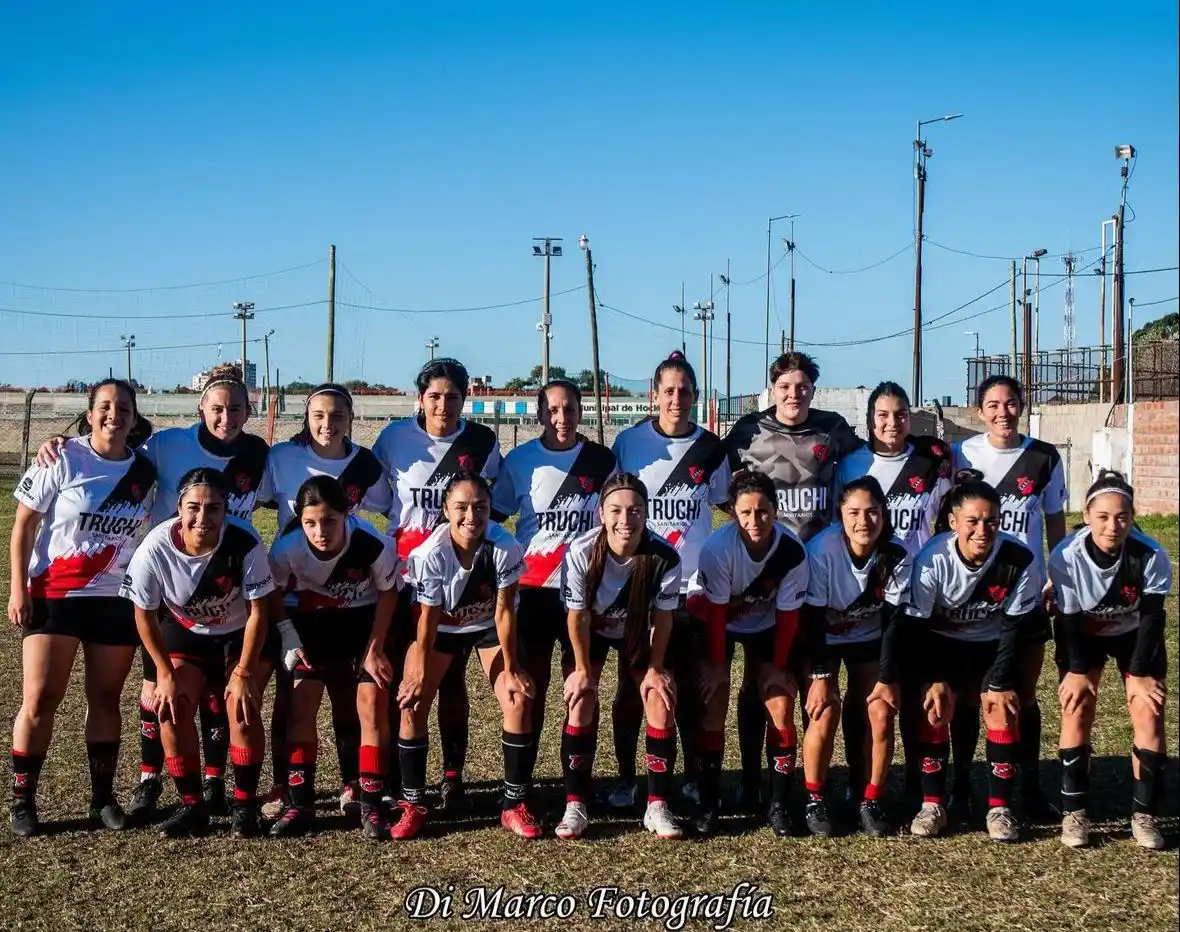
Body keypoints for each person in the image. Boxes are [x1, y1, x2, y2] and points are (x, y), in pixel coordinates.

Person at [36, 363, 270, 823]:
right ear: (200, 407)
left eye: (237, 409)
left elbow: (294, 490)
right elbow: (113, 451)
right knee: (158, 692)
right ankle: (150, 780)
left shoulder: (260, 454)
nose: (227, 417)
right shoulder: (168, 444)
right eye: (217, 408)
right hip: (167, 582)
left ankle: (214, 783)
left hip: (226, 587)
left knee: (222, 699)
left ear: (249, 410)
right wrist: (62, 444)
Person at [8, 380, 157, 836]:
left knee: (105, 697)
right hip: (54, 594)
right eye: (106, 407)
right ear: (90, 414)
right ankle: (23, 801)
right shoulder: (63, 457)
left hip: (114, 599)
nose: (115, 414)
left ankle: (101, 798)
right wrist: (18, 588)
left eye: (124, 408)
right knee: (41, 697)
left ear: (135, 418)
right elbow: (23, 526)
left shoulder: (146, 472)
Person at [723, 351, 862, 809]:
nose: (793, 394)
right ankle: (749, 776)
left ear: (813, 390)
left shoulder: (833, 429)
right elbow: (728, 489)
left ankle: (810, 780)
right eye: (785, 386)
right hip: (764, 574)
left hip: (817, 574)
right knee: (758, 683)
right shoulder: (747, 432)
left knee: (810, 678)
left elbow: (879, 455)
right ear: (772, 389)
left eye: (802, 386)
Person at [119, 468, 280, 838]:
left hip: (238, 633)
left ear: (226, 511)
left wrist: (243, 673)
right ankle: (193, 807)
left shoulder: (244, 541)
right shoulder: (155, 547)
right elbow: (143, 615)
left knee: (241, 709)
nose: (202, 518)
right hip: (186, 634)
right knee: (171, 710)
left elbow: (259, 612)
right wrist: (164, 673)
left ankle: (244, 805)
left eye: (214, 508)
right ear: (178, 507)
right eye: (193, 507)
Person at [258, 383, 393, 817]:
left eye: (337, 415)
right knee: (294, 698)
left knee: (353, 699)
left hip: (354, 601)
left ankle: (358, 784)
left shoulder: (365, 465)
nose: (328, 423)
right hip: (300, 603)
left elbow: (391, 506)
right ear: (306, 416)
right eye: (319, 414)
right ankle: (289, 788)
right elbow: (246, 499)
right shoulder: (280, 458)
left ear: (351, 419)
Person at [373, 358, 500, 813]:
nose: (442, 404)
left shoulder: (482, 441)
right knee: (404, 679)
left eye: (452, 396)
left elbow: (491, 505)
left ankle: (453, 775)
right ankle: (396, 778)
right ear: (420, 398)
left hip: (459, 577)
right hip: (406, 577)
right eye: (434, 396)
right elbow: (378, 498)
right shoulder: (392, 439)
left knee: (452, 683)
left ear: (465, 399)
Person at [608, 352, 729, 811]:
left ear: (696, 397)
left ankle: (695, 776)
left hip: (694, 591)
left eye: (685, 391)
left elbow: (720, 504)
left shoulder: (711, 448)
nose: (677, 398)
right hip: (638, 589)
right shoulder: (629, 443)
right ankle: (625, 778)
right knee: (632, 690)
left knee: (693, 690)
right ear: (653, 395)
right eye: (669, 390)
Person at [392, 471, 538, 840]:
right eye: (461, 507)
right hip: (441, 627)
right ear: (445, 510)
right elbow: (426, 619)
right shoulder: (428, 554)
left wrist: (514, 666)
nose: (471, 516)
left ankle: (513, 804)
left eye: (480, 507)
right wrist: (418, 672)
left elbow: (505, 612)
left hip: (487, 624)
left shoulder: (504, 547)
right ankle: (413, 803)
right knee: (412, 702)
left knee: (517, 698)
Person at [905, 470, 1043, 843]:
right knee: (937, 703)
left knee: (1001, 706)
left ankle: (999, 808)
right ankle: (932, 803)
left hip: (992, 644)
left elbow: (1013, 629)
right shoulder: (932, 560)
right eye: (972, 521)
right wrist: (932, 678)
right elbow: (920, 628)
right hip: (942, 644)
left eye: (991, 521)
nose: (982, 530)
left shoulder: (1019, 558)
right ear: (953, 522)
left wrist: (999, 681)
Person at [953, 375, 1066, 822]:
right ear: (979, 411)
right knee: (965, 696)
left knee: (1022, 694)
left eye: (1011, 403)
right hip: (971, 594)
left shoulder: (1044, 457)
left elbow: (1055, 521)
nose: (1004, 413)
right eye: (993, 405)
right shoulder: (963, 455)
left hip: (1027, 591)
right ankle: (961, 784)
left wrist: (1057, 575)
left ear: (1023, 406)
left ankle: (1029, 784)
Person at [834, 382, 950, 814]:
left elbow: (945, 517)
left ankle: (924, 783)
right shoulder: (852, 464)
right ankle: (858, 777)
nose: (891, 423)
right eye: (882, 415)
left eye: (900, 414)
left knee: (922, 691)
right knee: (868, 693)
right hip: (867, 595)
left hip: (921, 593)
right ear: (870, 419)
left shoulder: (932, 461)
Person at [265, 476, 401, 840]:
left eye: (329, 521)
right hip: (311, 628)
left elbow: (389, 594)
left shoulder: (373, 544)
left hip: (361, 626)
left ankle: (372, 804)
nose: (320, 531)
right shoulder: (286, 548)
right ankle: (301, 803)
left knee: (372, 703)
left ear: (346, 514)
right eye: (310, 522)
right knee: (300, 703)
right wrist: (290, 637)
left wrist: (375, 649)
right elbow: (272, 593)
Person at [1050, 470, 1172, 850]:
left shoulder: (1151, 554)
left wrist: (1138, 673)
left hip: (1134, 635)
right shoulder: (1065, 556)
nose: (1112, 525)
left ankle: (1144, 813)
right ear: (1086, 516)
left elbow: (1153, 616)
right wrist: (1074, 671)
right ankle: (1075, 812)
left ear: (1132, 518)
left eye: (1121, 517)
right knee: (1077, 706)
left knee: (1147, 710)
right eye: (1102, 517)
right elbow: (1067, 620)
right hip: (1083, 634)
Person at [558, 473, 683, 840]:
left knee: (659, 698)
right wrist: (582, 670)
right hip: (592, 632)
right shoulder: (581, 552)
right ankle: (575, 803)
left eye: (634, 511)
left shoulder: (664, 556)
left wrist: (657, 669)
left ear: (646, 513)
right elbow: (577, 616)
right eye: (615, 510)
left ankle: (657, 805)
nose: (624, 520)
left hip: (638, 634)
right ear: (600, 513)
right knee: (580, 700)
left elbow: (662, 617)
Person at [685, 471, 808, 837]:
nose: (755, 521)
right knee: (715, 696)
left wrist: (779, 668)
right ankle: (709, 803)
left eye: (763, 511)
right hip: (713, 617)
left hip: (766, 624)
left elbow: (787, 619)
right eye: (745, 513)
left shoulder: (792, 551)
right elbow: (718, 615)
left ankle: (777, 804)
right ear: (733, 514)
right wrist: (718, 667)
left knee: (779, 703)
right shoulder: (717, 549)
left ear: (776, 509)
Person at [491, 379, 615, 741]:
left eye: (570, 409)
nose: (562, 418)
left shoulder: (602, 460)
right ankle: (522, 788)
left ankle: (577, 791)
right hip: (533, 590)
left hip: (587, 588)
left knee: (582, 691)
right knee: (531, 691)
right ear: (540, 413)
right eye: (553, 410)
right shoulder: (519, 461)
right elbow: (494, 517)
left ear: (581, 411)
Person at [800, 477, 913, 837]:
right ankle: (814, 797)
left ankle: (869, 795)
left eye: (872, 512)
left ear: (884, 514)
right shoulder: (822, 551)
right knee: (824, 709)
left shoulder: (897, 554)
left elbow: (895, 623)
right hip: (825, 640)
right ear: (840, 517)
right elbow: (813, 620)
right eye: (854, 513)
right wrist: (819, 678)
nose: (863, 521)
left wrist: (887, 678)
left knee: (878, 712)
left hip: (869, 638)